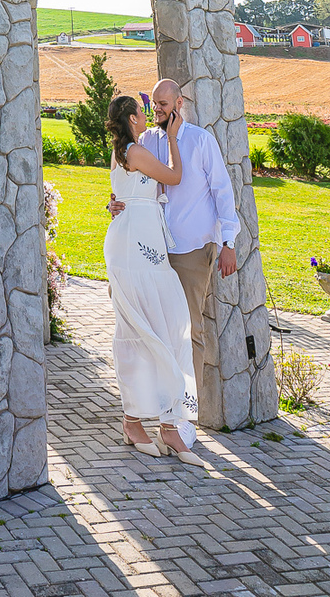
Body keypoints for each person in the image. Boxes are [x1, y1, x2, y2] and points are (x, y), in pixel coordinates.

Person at [107, 78, 240, 433]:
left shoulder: (200, 140)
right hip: (150, 251)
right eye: (155, 104)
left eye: (166, 103)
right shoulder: (145, 141)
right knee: (154, 331)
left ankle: (184, 419)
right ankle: (157, 411)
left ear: (179, 103)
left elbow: (222, 192)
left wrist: (228, 243)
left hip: (190, 250)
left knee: (188, 331)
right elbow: (128, 184)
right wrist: (116, 204)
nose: (159, 109)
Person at [104, 93, 205, 466]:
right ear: (131, 118)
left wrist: (113, 203)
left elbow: (120, 195)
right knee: (141, 330)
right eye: (141, 114)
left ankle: (165, 423)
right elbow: (174, 177)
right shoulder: (132, 151)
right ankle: (137, 422)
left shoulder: (122, 151)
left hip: (144, 240)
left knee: (162, 325)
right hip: (135, 245)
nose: (147, 117)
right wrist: (174, 138)